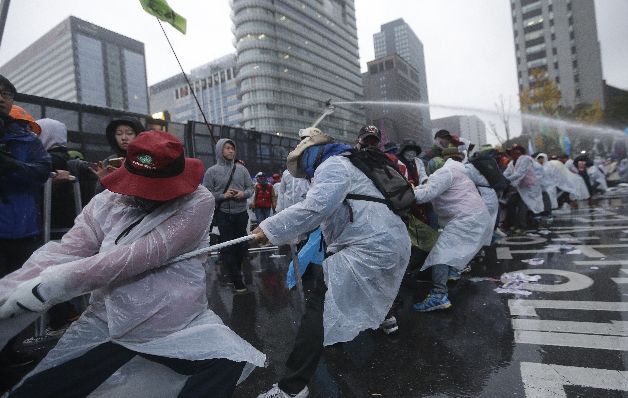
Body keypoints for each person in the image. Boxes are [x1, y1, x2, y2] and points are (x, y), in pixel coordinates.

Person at [0, 131, 265, 397]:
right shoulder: (106, 202)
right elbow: (67, 250)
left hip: (174, 323)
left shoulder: (198, 201)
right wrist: (11, 289)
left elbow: (135, 257)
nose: (148, 196)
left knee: (225, 360)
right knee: (41, 390)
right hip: (109, 321)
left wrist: (53, 284)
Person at [253, 129, 410, 398]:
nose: (305, 173)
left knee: (317, 308)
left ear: (311, 154)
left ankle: (292, 387)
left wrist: (268, 228)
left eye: (303, 166)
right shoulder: (347, 163)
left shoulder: (332, 165)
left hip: (369, 246)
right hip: (382, 242)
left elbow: (315, 208)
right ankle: (376, 325)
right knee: (336, 301)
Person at [412, 150, 490, 312]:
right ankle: (453, 272)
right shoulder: (457, 171)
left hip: (465, 219)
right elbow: (430, 185)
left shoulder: (444, 173)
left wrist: (407, 191)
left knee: (441, 254)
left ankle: (438, 295)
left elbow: (425, 194)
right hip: (476, 216)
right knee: (450, 248)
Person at [0, 75, 52, 277]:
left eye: (6, 94)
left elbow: (42, 171)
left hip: (21, 231)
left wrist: (11, 166)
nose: (2, 99)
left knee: (18, 296)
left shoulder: (27, 139)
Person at [203, 138, 253, 293]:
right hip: (223, 215)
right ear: (220, 150)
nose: (231, 151)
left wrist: (242, 194)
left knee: (241, 246)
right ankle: (237, 280)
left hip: (241, 214)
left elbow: (251, 188)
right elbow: (206, 194)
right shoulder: (211, 172)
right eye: (227, 148)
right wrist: (223, 196)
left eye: (232, 148)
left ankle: (234, 272)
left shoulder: (242, 170)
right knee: (227, 246)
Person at [92, 117, 144, 192]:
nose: (124, 138)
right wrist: (104, 180)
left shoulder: (145, 159)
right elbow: (99, 197)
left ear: (139, 135)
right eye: (119, 134)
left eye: (129, 133)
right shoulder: (108, 162)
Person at [503, 144, 544, 231]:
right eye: (512, 152)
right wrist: (501, 179)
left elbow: (520, 173)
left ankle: (522, 226)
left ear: (521, 152)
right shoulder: (511, 163)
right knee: (510, 203)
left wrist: (507, 180)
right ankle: (510, 223)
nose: (514, 153)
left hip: (530, 188)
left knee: (523, 205)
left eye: (517, 151)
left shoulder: (525, 159)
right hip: (521, 188)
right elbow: (506, 173)